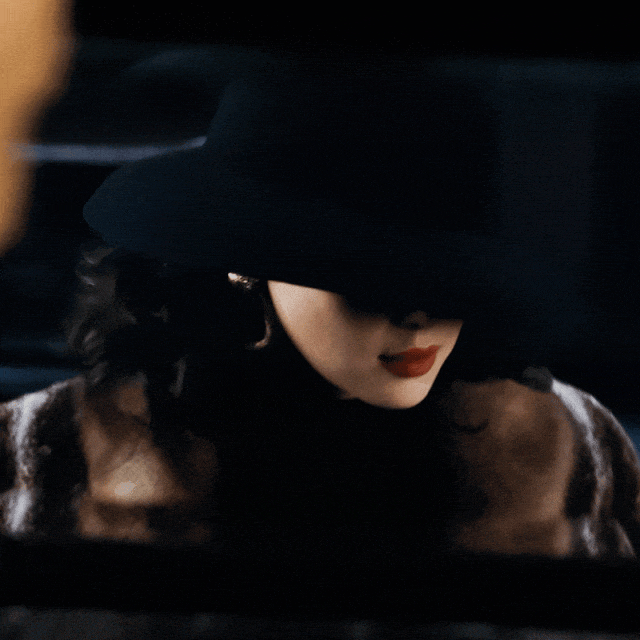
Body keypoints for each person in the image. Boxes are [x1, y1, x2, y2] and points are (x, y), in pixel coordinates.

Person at [2, 55, 640, 561]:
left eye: (452, 278)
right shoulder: (47, 451)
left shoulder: (567, 444)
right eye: (366, 274)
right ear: (244, 262)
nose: (419, 314)